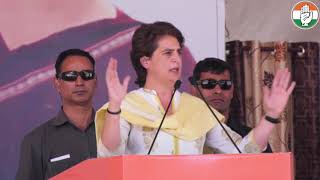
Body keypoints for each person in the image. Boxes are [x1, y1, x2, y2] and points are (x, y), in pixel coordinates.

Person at [95, 21, 295, 156]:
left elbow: (242, 152)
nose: (176, 58)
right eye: (167, 53)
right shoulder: (128, 105)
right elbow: (110, 154)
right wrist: (114, 107)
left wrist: (270, 116)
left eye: (179, 52)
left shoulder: (196, 108)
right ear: (146, 61)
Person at [15, 49, 97, 180]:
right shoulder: (36, 141)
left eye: (87, 75)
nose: (79, 82)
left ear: (95, 81)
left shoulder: (117, 130)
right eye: (70, 76)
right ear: (57, 83)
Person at [191, 57, 272, 153]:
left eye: (225, 84)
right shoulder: (184, 134)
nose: (218, 91)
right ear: (194, 90)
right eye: (209, 84)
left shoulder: (250, 137)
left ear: (232, 91)